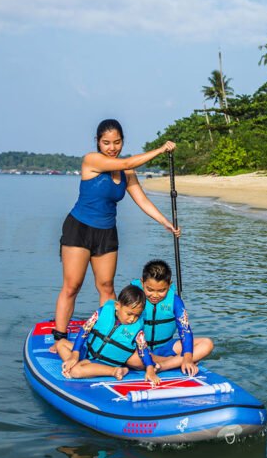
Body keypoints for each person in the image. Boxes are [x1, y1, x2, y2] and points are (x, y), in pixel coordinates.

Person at [52, 119, 180, 350]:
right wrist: (161, 149)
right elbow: (130, 160)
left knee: (107, 287)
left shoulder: (126, 170)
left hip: (107, 233)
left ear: (123, 141)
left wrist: (165, 222)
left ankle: (106, 338)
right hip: (79, 229)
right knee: (72, 286)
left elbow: (140, 198)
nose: (112, 147)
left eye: (117, 142)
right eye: (106, 143)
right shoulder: (92, 160)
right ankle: (60, 339)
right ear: (98, 143)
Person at [57, 284, 160, 384]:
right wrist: (75, 354)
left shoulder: (137, 328)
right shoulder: (103, 312)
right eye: (129, 314)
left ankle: (114, 371)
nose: (132, 319)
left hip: (106, 362)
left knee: (75, 371)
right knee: (61, 343)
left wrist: (150, 368)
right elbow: (85, 330)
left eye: (137, 315)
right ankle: (78, 365)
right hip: (88, 353)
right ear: (117, 306)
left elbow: (143, 349)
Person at [131, 259, 214, 377]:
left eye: (161, 290)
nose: (155, 295)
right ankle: (172, 361)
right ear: (142, 282)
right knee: (130, 358)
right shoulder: (133, 298)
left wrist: (188, 357)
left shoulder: (175, 301)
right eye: (149, 289)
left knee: (207, 344)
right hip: (140, 350)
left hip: (166, 347)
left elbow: (185, 330)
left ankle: (163, 366)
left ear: (169, 285)